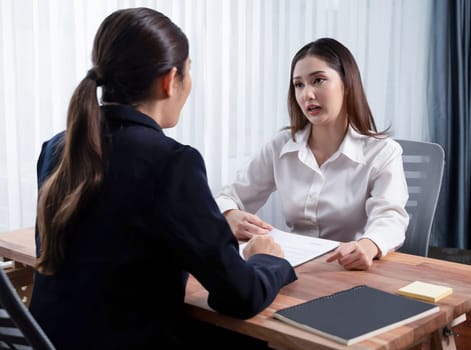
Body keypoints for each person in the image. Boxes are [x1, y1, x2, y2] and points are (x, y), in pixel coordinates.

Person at [29, 7, 296, 349]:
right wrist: (267, 257)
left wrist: (206, 231)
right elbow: (240, 296)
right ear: (170, 80)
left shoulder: (57, 148)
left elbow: (113, 237)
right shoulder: (171, 162)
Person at [215, 38, 410, 271]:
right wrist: (230, 214)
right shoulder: (280, 147)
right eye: (299, 85)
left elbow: (391, 218)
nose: (307, 94)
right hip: (297, 267)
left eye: (318, 80)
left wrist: (368, 245)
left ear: (347, 84)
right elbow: (230, 196)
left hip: (352, 270)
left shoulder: (382, 152)